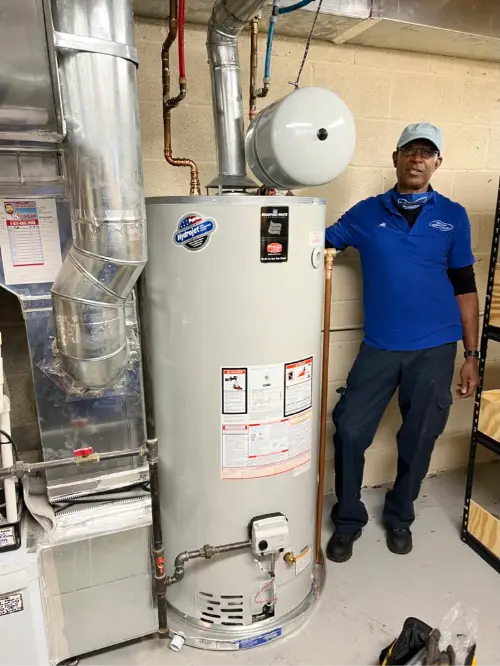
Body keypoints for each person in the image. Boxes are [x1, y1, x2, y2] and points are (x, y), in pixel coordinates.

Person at [324, 123, 480, 563]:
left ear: (437, 163)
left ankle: (400, 516)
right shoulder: (365, 214)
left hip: (435, 348)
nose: (418, 159)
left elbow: (465, 287)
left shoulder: (453, 216)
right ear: (396, 158)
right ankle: (349, 520)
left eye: (427, 153)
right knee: (351, 428)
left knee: (420, 435)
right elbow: (318, 244)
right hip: (380, 346)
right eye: (410, 151)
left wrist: (471, 355)